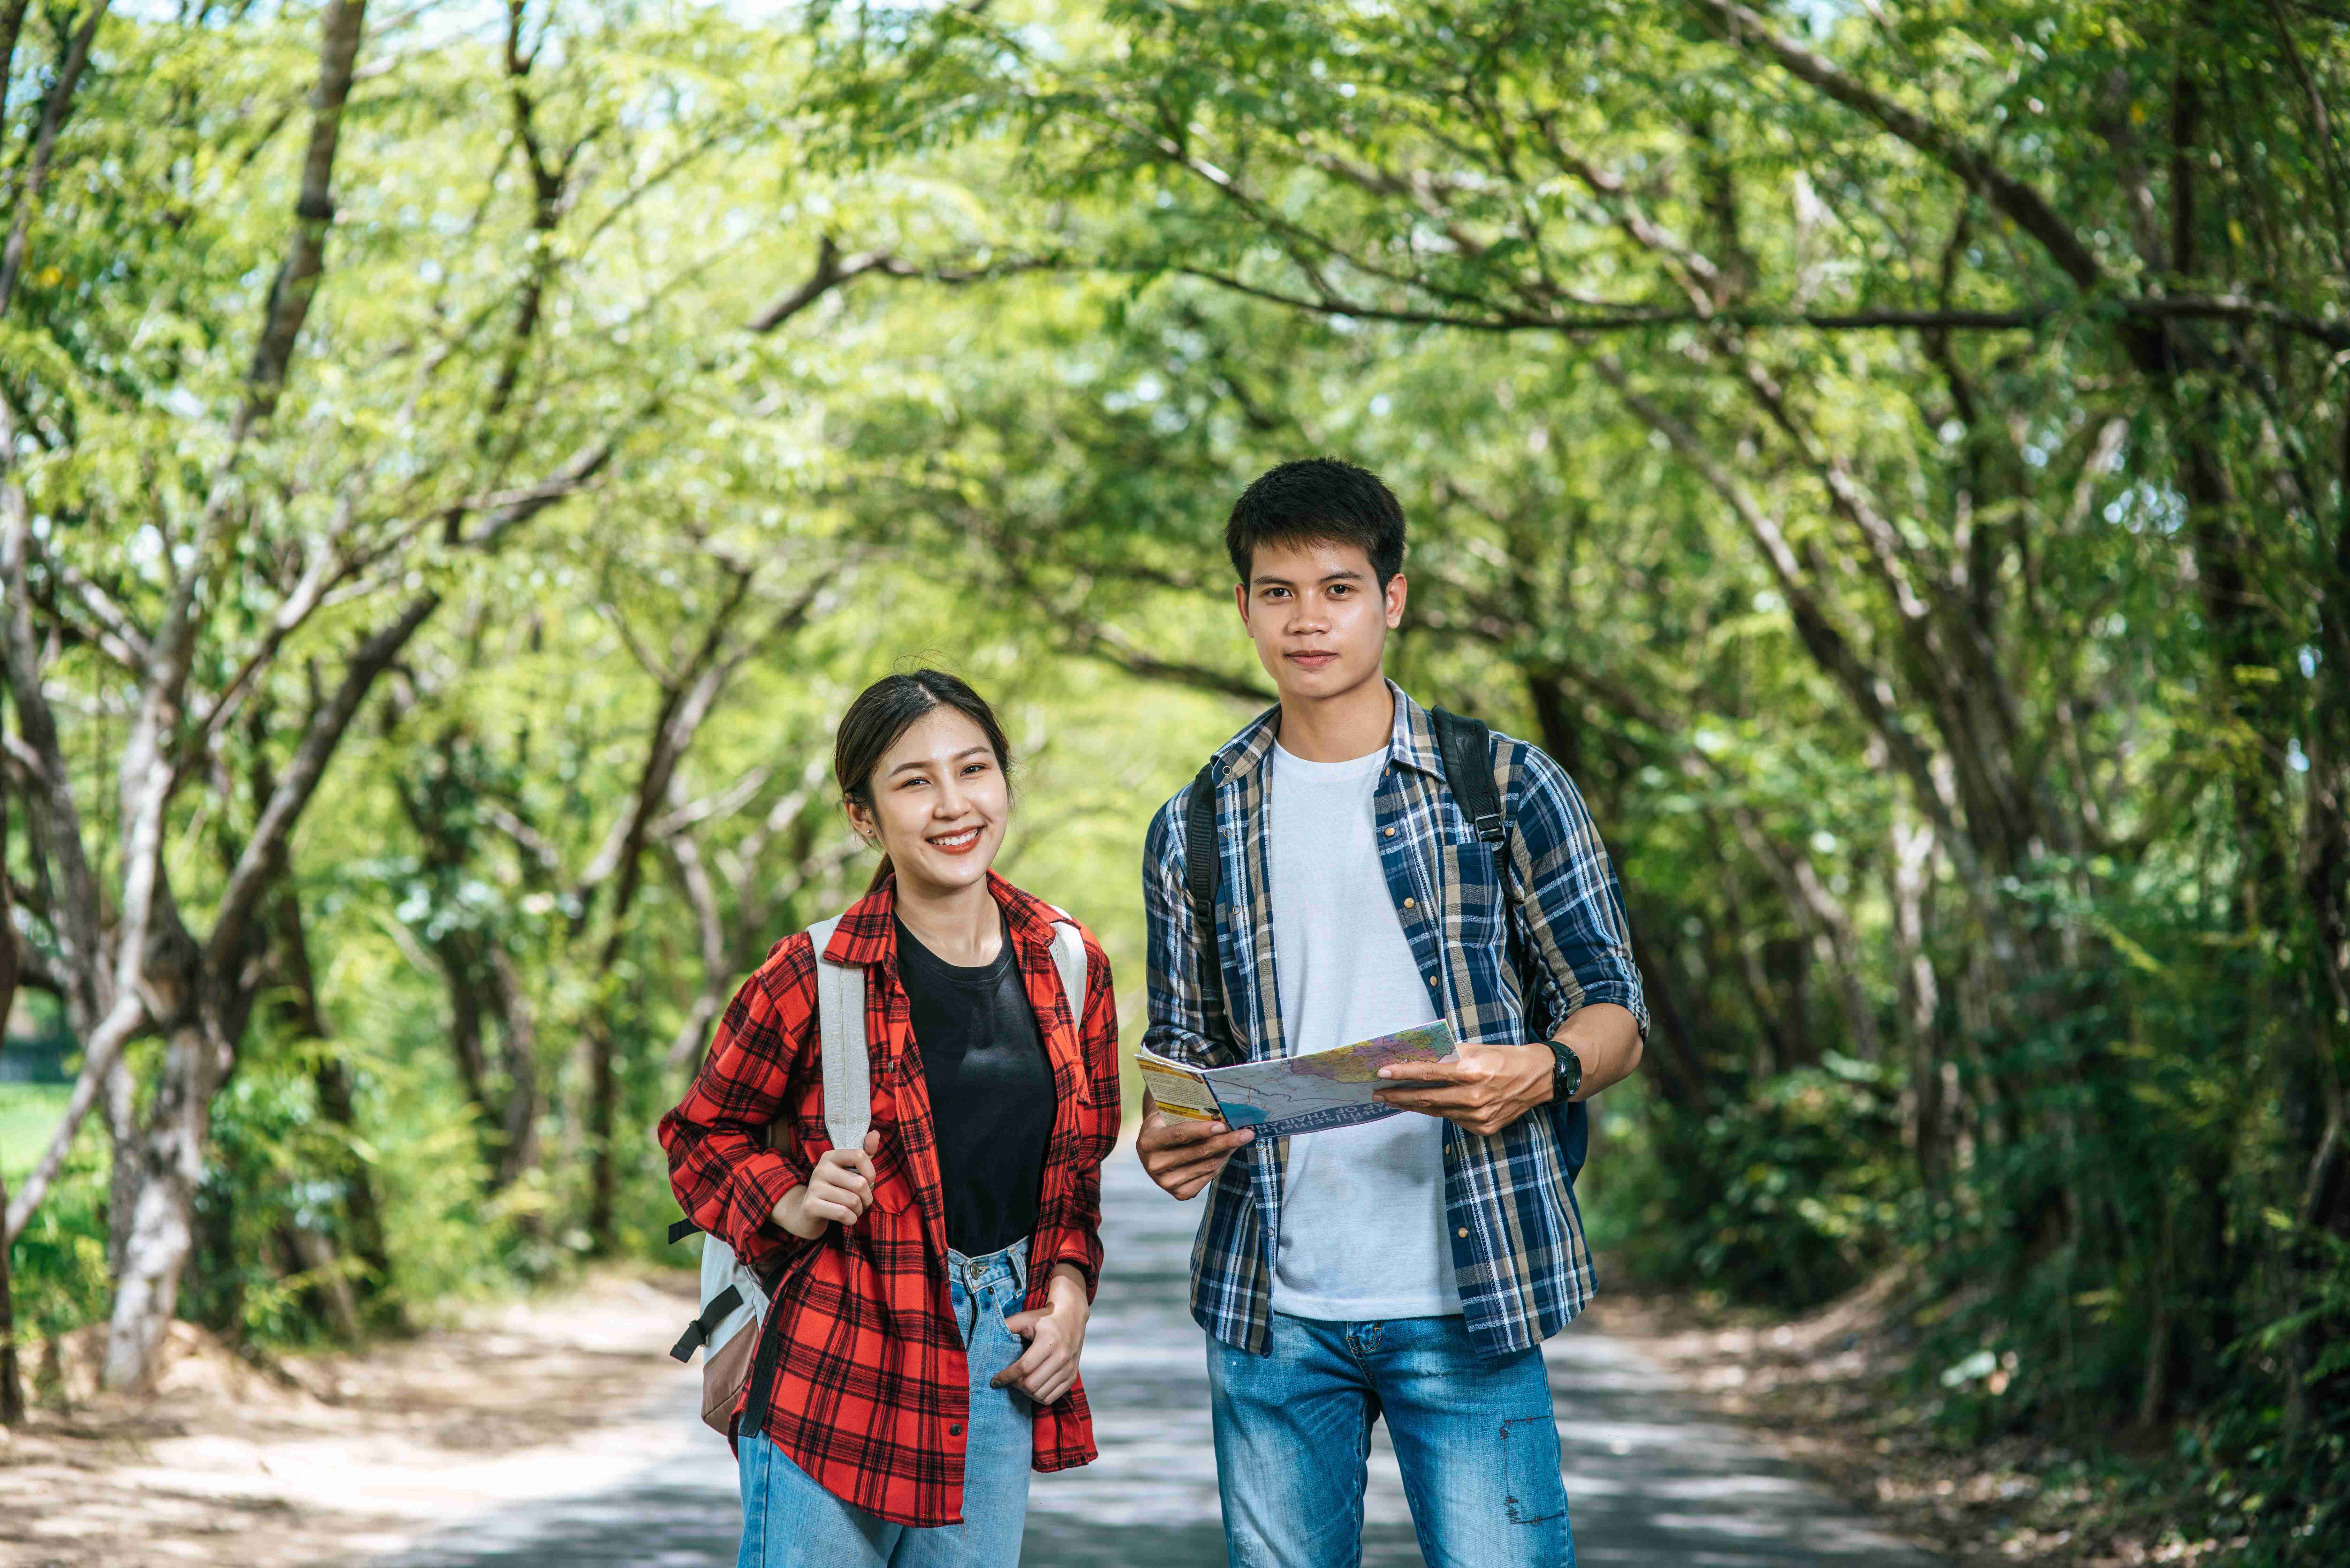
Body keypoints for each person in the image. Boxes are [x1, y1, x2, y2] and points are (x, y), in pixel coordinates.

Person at [1136, 458, 1648, 1568]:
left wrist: (1543, 1069)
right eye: (1278, 592)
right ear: (1244, 608)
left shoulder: (1505, 787)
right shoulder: (1197, 826)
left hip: (1470, 1294)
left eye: (1338, 588)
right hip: (1273, 1308)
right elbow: (1179, 1056)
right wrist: (1169, 1134)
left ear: (1393, 598)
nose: (1307, 620)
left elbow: (1615, 1009)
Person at [660, 670, 1120, 1568]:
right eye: (914, 781)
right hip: (838, 1354)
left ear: (1003, 782)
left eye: (974, 770)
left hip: (998, 1365)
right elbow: (699, 1135)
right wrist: (792, 1201)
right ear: (864, 817)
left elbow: (1076, 1181)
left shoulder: (1070, 963)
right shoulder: (812, 974)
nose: (954, 805)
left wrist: (1065, 1305)